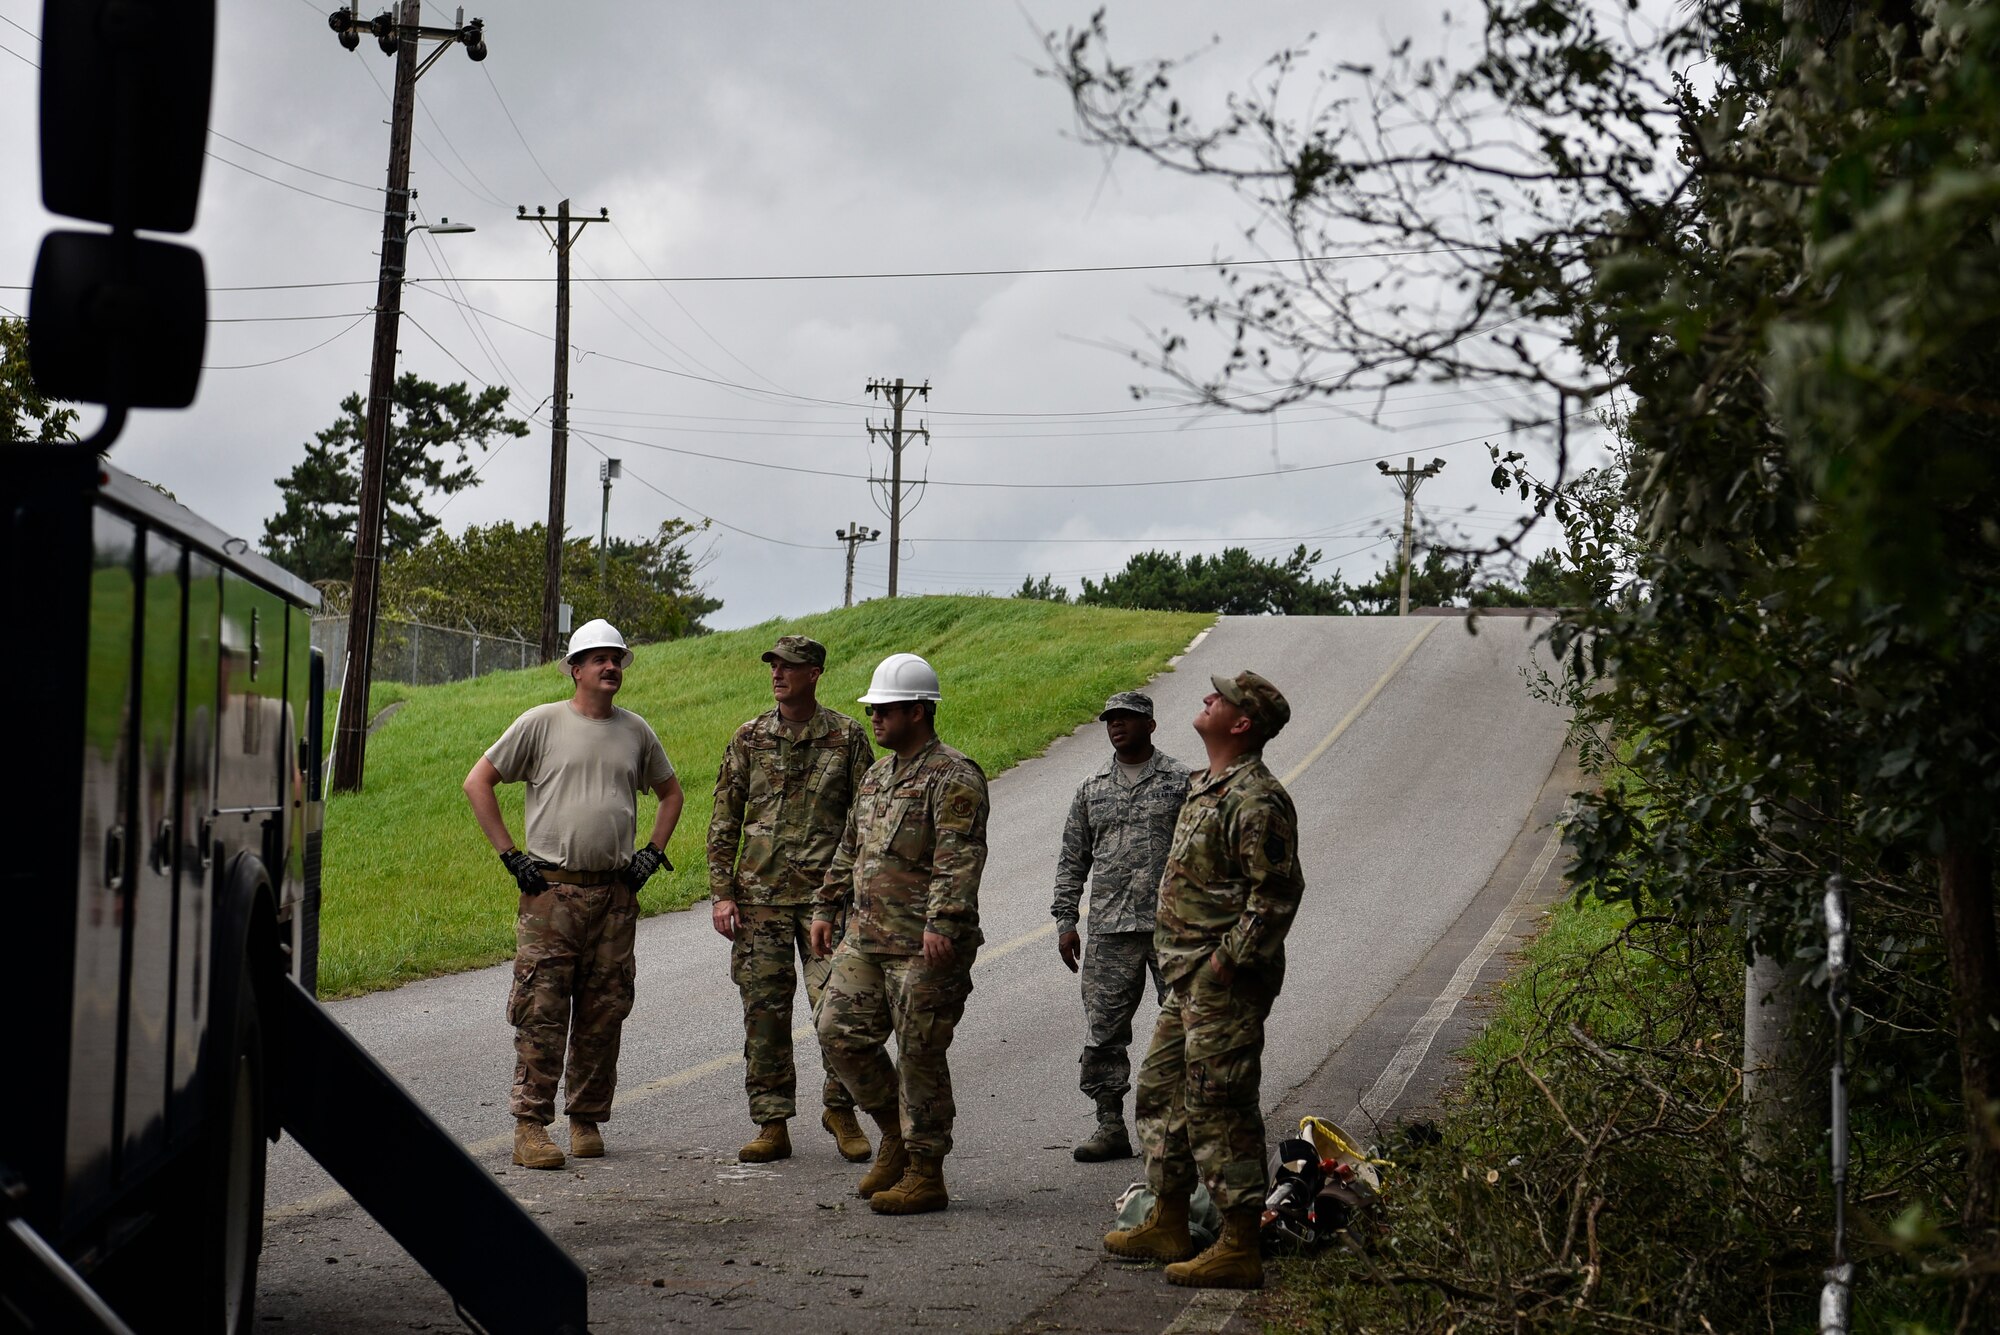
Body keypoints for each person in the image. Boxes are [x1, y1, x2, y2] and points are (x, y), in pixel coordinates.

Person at [1102, 670, 1303, 1289]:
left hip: (1223, 983)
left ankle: (1239, 1243)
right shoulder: (1207, 786)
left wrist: (1225, 962)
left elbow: (1276, 894)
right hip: (1186, 979)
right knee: (1161, 1093)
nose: (1207, 698)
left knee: (1221, 1106)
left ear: (1241, 723)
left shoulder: (1257, 798)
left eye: (1221, 698)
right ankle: (1168, 1219)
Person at [463, 619, 684, 1171]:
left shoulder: (636, 731)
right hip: (550, 895)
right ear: (575, 669)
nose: (610, 667)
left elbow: (671, 793)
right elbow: (478, 782)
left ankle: (585, 1119)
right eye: (598, 659)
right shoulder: (541, 723)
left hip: (614, 896)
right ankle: (530, 1128)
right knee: (541, 1009)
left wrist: (651, 855)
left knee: (603, 1010)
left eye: (617, 659)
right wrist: (511, 856)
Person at [809, 652, 988, 1215]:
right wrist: (824, 905)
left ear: (917, 710)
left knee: (919, 1055)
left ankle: (925, 1169)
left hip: (924, 944)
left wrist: (944, 923)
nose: (875, 719)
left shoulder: (955, 776)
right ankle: (894, 1135)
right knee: (836, 1030)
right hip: (867, 937)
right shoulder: (876, 775)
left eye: (884, 710)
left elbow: (959, 859)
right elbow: (850, 847)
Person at [706, 634, 876, 1165]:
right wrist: (721, 894)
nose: (778, 674)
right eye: (774, 666)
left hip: (828, 902)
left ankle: (840, 1109)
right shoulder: (749, 737)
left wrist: (859, 894)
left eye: (790, 666)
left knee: (838, 1011)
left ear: (815, 673)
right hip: (759, 903)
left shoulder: (847, 737)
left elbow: (867, 820)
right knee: (764, 1015)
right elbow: (724, 818)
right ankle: (771, 1121)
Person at [1052, 690, 1190, 1162]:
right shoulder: (1092, 787)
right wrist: (1066, 920)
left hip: (1175, 929)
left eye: (1127, 719)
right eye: (1111, 719)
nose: (1117, 726)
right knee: (1103, 1032)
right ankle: (1109, 1124)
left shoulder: (1181, 782)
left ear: (1150, 724)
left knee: (1187, 1028)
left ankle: (1182, 1128)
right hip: (1110, 931)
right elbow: (1073, 859)